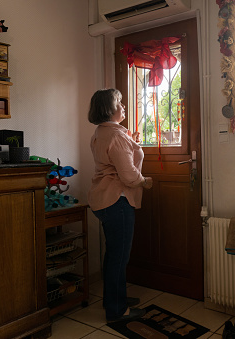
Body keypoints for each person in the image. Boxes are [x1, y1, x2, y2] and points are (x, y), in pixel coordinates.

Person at [87, 88, 153, 323]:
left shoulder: (101, 133)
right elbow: (128, 175)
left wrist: (130, 144)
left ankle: (114, 298)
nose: (123, 107)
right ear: (109, 108)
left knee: (113, 254)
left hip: (102, 200)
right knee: (119, 257)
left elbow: (113, 161)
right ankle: (117, 310)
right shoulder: (116, 136)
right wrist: (144, 181)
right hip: (117, 200)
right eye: (120, 103)